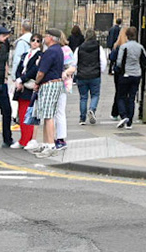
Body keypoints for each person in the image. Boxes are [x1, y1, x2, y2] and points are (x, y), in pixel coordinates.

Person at [26, 28, 66, 157]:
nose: (44, 38)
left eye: (46, 35)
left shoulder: (50, 52)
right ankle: (45, 143)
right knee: (46, 115)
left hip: (49, 84)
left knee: (48, 116)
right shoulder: (58, 50)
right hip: (55, 83)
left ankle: (50, 145)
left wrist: (36, 83)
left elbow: (41, 72)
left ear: (51, 38)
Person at [111, 26, 145, 129]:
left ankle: (124, 115)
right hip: (136, 75)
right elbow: (145, 60)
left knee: (121, 96)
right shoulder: (140, 47)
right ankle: (129, 122)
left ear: (127, 36)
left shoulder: (124, 47)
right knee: (132, 98)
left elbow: (119, 62)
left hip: (126, 74)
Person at [74, 27, 107, 125]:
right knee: (95, 95)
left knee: (83, 97)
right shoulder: (99, 48)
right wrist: (100, 71)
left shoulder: (79, 48)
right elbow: (103, 61)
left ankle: (82, 118)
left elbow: (74, 62)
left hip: (82, 75)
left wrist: (76, 73)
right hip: (94, 75)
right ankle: (92, 109)